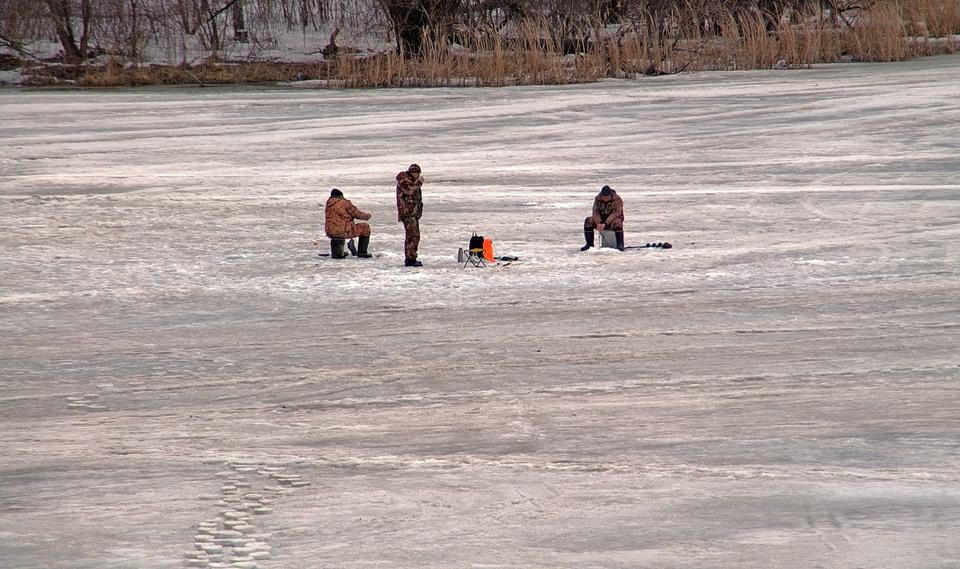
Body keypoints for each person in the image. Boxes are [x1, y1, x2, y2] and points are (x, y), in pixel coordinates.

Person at [325, 188, 372, 259]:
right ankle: (362, 252)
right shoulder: (345, 203)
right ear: (341, 195)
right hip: (344, 231)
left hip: (330, 231)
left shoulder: (328, 203)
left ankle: (338, 252)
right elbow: (356, 214)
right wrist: (367, 216)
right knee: (365, 227)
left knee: (337, 228)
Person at [396, 163, 424, 267]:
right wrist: (419, 183)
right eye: (417, 173)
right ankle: (410, 259)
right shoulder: (404, 180)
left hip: (412, 213)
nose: (418, 176)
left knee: (414, 236)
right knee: (412, 236)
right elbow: (410, 191)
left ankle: (411, 257)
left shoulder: (411, 181)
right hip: (408, 214)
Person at [581, 185, 625, 251]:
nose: (605, 199)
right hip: (601, 221)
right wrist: (598, 223)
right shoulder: (597, 199)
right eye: (603, 197)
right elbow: (595, 212)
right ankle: (589, 244)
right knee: (588, 221)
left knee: (618, 222)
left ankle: (620, 244)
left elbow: (615, 213)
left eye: (607, 197)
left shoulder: (617, 199)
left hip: (611, 221)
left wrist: (605, 223)